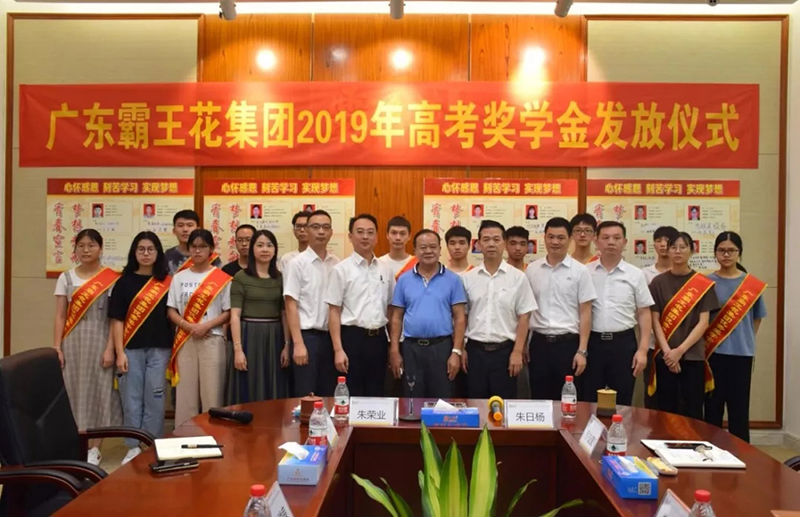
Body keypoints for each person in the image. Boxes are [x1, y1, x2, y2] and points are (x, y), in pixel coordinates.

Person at [53, 229, 122, 465]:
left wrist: (111, 348)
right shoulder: (66, 278)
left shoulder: (111, 279)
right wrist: (57, 347)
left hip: (100, 340)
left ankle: (95, 448)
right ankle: (75, 445)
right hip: (72, 342)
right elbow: (60, 316)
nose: (86, 250)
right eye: (81, 245)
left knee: (100, 391)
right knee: (72, 391)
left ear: (100, 249)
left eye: (91, 245)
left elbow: (114, 318)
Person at [110, 231, 172, 465]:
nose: (146, 254)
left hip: (160, 349)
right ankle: (133, 445)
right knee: (132, 398)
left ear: (158, 253)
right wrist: (119, 352)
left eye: (150, 249)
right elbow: (117, 320)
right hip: (131, 350)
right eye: (141, 249)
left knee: (155, 396)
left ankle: (151, 444)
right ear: (134, 252)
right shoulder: (123, 282)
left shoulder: (168, 282)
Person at [648, 231, 719, 419]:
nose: (678, 251)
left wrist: (679, 351)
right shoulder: (657, 283)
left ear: (692, 251)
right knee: (666, 410)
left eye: (683, 247)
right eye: (673, 247)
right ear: (668, 251)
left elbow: (703, 323)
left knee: (692, 410)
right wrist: (668, 353)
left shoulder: (703, 284)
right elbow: (654, 321)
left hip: (693, 355)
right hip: (665, 356)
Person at [704, 232, 766, 442]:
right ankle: (710, 453)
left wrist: (744, 340)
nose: (726, 254)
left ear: (739, 253)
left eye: (731, 250)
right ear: (715, 253)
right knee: (712, 408)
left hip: (742, 355)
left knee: (739, 410)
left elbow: (757, 318)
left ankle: (741, 454)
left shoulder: (752, 285)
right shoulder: (706, 282)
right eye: (721, 250)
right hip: (713, 354)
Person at [462, 220, 536, 399]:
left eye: (496, 239)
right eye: (486, 239)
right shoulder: (468, 278)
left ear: (504, 243)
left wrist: (517, 351)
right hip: (474, 351)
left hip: (505, 352)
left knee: (503, 406)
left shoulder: (518, 278)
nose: (491, 244)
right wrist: (461, 349)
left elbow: (524, 317)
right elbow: (462, 316)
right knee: (475, 403)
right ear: (478, 244)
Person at [525, 217, 596, 400]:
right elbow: (526, 310)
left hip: (568, 345)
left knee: (568, 400)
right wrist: (524, 345)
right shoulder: (532, 269)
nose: (555, 242)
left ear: (570, 239)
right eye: (551, 237)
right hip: (538, 344)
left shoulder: (580, 271)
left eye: (561, 237)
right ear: (544, 238)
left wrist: (582, 351)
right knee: (539, 398)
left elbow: (585, 312)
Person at [389, 229, 467, 398]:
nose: (428, 251)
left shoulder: (453, 280)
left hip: (442, 348)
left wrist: (456, 352)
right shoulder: (404, 280)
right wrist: (394, 350)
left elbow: (460, 318)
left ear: (440, 249)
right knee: (412, 398)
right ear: (415, 251)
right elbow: (396, 317)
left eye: (433, 247)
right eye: (423, 247)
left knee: (442, 400)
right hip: (411, 348)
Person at [166, 229, 232, 426]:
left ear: (211, 249)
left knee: (212, 393)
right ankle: (185, 438)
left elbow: (227, 312)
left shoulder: (221, 278)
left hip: (212, 338)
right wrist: (188, 326)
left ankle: (214, 436)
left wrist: (206, 326)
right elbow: (171, 310)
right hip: (185, 339)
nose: (197, 250)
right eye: (193, 246)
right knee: (186, 396)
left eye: (202, 246)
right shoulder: (179, 277)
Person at [583, 222, 654, 406]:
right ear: (596, 241)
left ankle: (620, 426)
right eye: (605, 238)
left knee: (622, 400)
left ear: (625, 242)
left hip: (624, 344)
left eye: (616, 238)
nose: (611, 242)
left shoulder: (635, 274)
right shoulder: (585, 272)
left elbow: (644, 313)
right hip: (592, 343)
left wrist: (643, 350)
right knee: (589, 399)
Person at [325, 214, 394, 397]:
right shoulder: (341, 269)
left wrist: (391, 345)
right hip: (352, 339)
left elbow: (390, 308)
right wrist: (338, 350)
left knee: (377, 393)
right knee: (352, 394)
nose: (365, 237)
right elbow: (334, 311)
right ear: (350, 236)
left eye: (370, 232)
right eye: (360, 232)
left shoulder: (385, 269)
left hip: (379, 340)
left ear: (377, 237)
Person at [227, 229, 289, 404]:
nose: (265, 249)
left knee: (273, 385)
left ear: (275, 250)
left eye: (269, 245)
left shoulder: (281, 278)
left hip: (274, 338)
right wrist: (238, 350)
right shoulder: (241, 277)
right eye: (260, 245)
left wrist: (287, 345)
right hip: (249, 337)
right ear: (252, 249)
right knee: (249, 385)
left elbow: (285, 314)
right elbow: (234, 316)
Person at [283, 210, 340, 396]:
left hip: (330, 338)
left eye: (325, 227)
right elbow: (290, 304)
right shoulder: (296, 263)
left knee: (328, 394)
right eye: (315, 227)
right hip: (306, 338)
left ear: (331, 232)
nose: (321, 232)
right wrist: (298, 343)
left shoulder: (336, 264)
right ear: (307, 231)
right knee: (305, 394)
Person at [641, 225, 680, 409]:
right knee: (653, 397)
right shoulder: (644, 274)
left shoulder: (687, 276)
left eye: (667, 241)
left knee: (679, 398)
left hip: (680, 346)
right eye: (658, 240)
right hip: (652, 345)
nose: (663, 245)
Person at [165, 209, 221, 275]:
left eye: (190, 225)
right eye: (180, 225)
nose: (185, 229)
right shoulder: (168, 255)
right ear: (174, 230)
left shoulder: (210, 257)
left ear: (198, 229)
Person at [378, 216, 417, 280]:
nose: (398, 238)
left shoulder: (417, 264)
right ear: (387, 235)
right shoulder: (379, 263)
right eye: (394, 233)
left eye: (402, 233)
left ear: (409, 236)